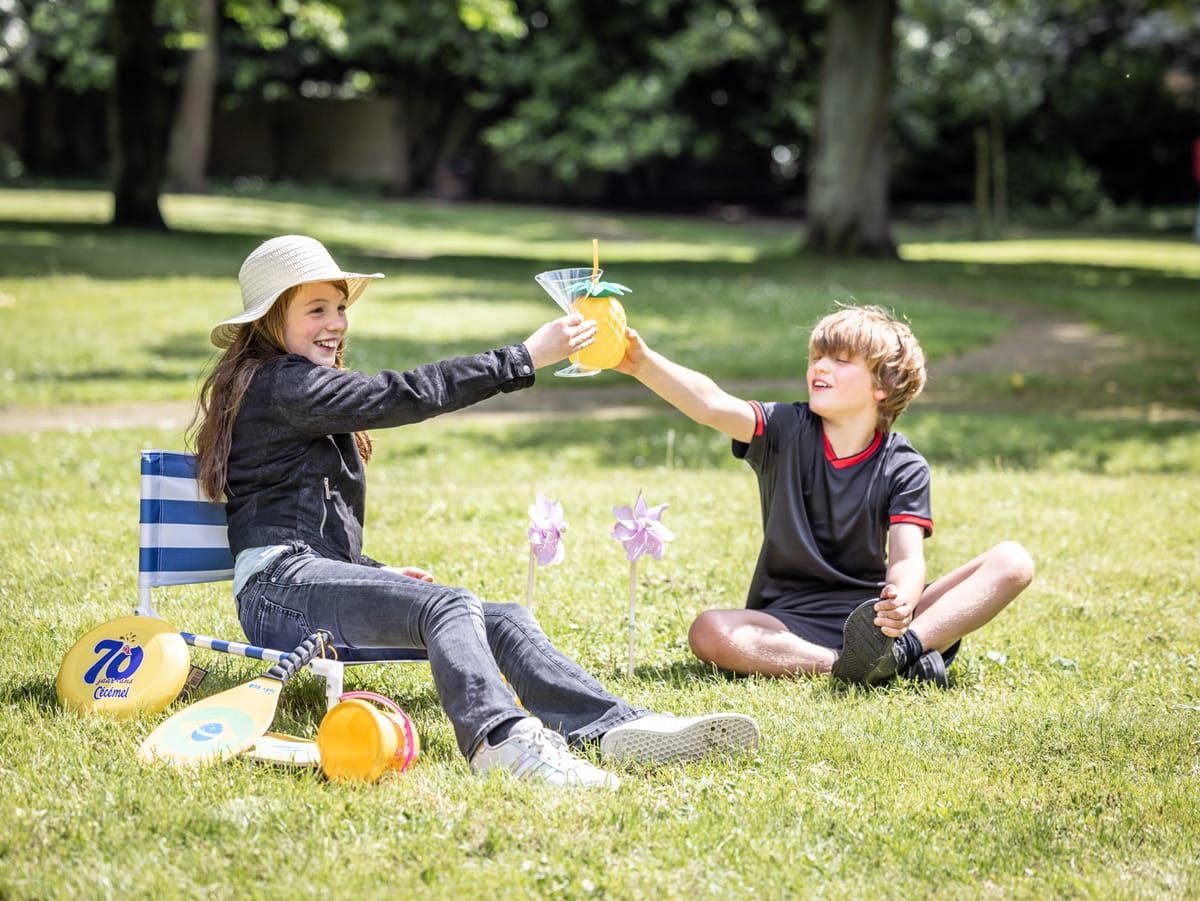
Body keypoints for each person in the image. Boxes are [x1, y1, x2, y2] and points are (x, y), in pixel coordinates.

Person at [190, 235, 758, 789]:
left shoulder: (297, 386)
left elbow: (309, 514)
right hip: (277, 593)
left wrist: (372, 573)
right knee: (449, 604)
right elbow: (403, 394)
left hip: (303, 582)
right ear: (269, 322)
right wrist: (524, 357)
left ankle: (615, 727)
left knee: (503, 617)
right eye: (316, 310)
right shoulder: (281, 384)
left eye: (339, 307)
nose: (336, 323)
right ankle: (501, 744)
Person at [616, 304, 1034, 688]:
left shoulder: (903, 464)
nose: (820, 366)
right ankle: (850, 663)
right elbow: (711, 405)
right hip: (787, 622)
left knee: (1013, 562)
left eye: (840, 360)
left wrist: (900, 606)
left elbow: (907, 559)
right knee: (709, 631)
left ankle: (901, 650)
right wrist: (642, 364)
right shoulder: (783, 429)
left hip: (874, 617)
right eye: (817, 357)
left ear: (882, 388)